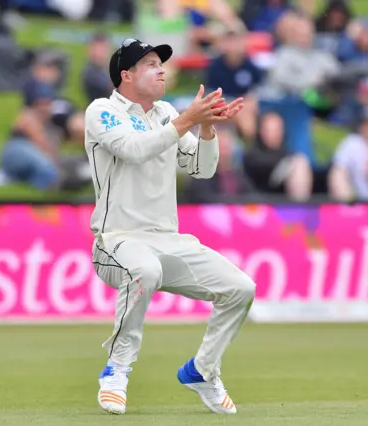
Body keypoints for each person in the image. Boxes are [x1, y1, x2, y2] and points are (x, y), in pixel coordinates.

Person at [84, 38, 251, 416]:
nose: (161, 69)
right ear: (126, 75)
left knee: (240, 289)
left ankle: (202, 370)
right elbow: (134, 149)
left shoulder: (164, 113)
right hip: (116, 241)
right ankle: (117, 369)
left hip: (168, 240)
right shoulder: (102, 111)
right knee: (144, 269)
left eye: (161, 63)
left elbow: (201, 168)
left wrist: (206, 129)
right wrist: (187, 120)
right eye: (150, 64)